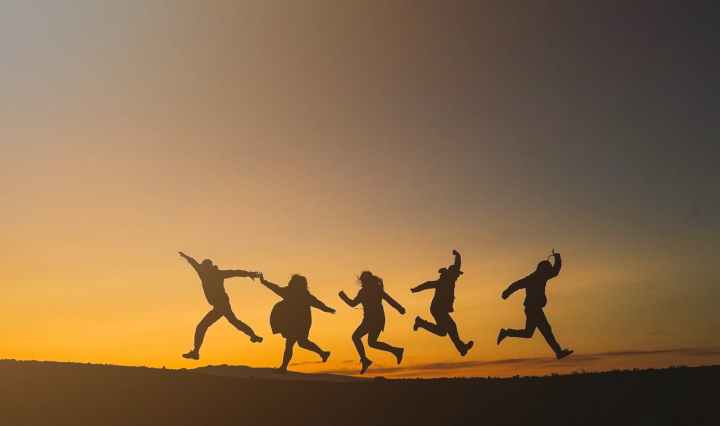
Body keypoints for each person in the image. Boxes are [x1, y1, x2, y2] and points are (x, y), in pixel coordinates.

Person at [178, 252, 263, 361]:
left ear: (209, 267)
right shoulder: (204, 272)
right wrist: (185, 256)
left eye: (205, 268)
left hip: (221, 304)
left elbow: (235, 272)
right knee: (233, 321)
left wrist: (249, 274)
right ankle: (253, 336)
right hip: (220, 305)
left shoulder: (216, 273)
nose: (204, 270)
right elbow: (193, 262)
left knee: (202, 326)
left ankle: (195, 352)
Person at [497, 249, 573, 359]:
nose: (548, 272)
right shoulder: (532, 278)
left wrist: (557, 257)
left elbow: (555, 271)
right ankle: (558, 352)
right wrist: (506, 293)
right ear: (542, 269)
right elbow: (517, 284)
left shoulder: (542, 276)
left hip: (533, 309)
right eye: (547, 269)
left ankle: (506, 333)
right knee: (546, 330)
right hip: (533, 309)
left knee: (528, 333)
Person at [259, 273, 335, 373]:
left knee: (291, 344)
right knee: (302, 343)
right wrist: (264, 282)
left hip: (301, 322)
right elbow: (275, 288)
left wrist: (327, 309)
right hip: (294, 322)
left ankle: (283, 368)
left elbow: (317, 303)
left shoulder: (301, 294)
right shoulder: (292, 292)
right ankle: (323, 353)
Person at [339, 271, 406, 374]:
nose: (363, 282)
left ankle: (365, 360)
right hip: (372, 320)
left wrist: (399, 308)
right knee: (371, 342)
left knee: (356, 337)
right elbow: (353, 304)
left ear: (368, 280)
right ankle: (396, 351)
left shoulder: (375, 290)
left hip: (374, 320)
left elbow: (389, 299)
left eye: (365, 280)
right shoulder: (366, 291)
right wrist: (344, 297)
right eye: (363, 281)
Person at [411, 250, 474, 356]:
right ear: (452, 274)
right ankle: (462, 348)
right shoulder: (446, 280)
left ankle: (421, 323)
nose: (458, 276)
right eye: (457, 274)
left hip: (439, 309)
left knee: (442, 332)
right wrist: (416, 289)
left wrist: (457, 256)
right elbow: (428, 284)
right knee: (452, 327)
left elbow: (456, 266)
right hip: (437, 309)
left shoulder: (448, 280)